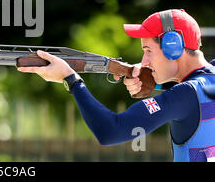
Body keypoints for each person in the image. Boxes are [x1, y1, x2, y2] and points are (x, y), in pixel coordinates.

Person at [17, 9, 215, 162]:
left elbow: (111, 131)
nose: (144, 61)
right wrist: (155, 83)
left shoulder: (185, 95)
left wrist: (71, 79)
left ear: (173, 47)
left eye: (148, 50)